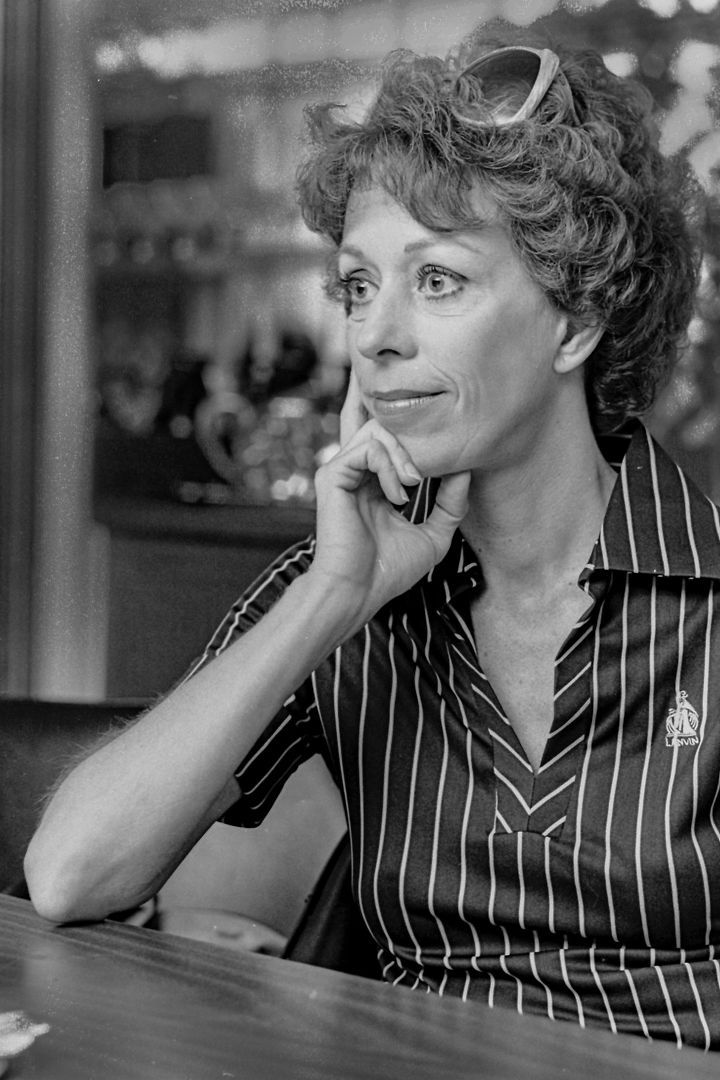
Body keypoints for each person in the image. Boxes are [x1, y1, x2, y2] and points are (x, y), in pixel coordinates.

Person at [25, 22, 716, 1049]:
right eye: (358, 284)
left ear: (575, 321)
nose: (376, 334)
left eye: (437, 280)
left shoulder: (706, 605)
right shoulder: (345, 585)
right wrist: (334, 597)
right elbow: (71, 872)